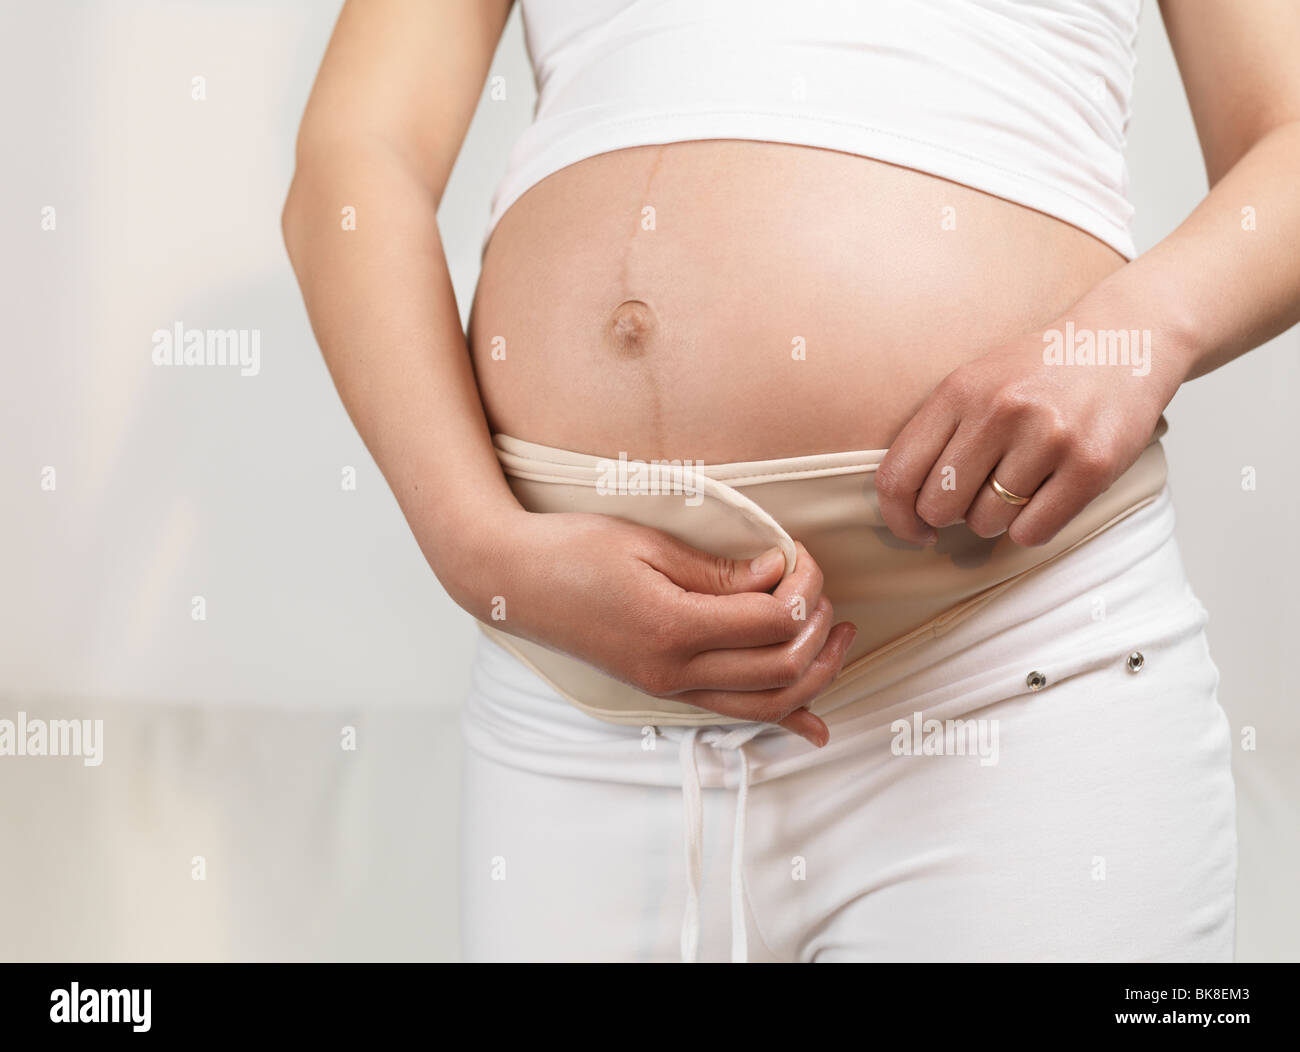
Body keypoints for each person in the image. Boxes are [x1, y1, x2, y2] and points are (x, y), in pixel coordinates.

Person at [282, 0, 1300, 961]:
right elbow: (355, 157)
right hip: (573, 704)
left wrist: (1138, 332)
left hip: (1013, 671)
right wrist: (477, 550)